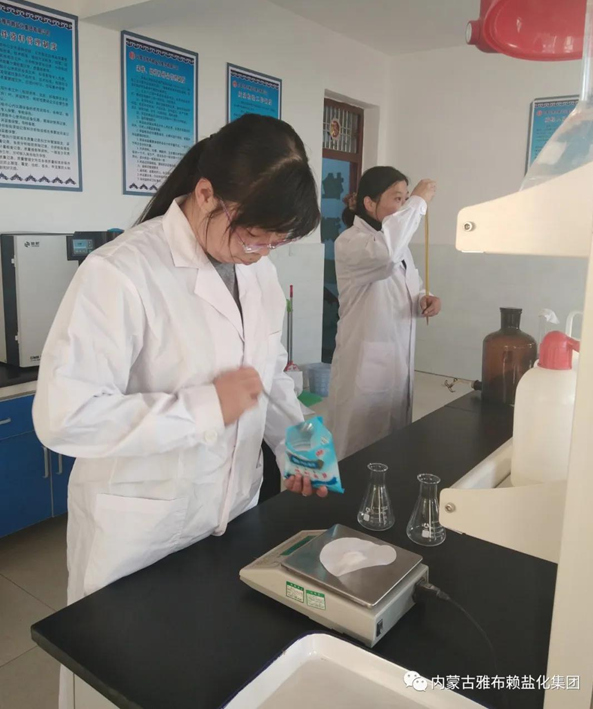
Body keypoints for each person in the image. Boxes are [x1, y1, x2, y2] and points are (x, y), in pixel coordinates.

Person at [33, 114, 326, 708]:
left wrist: (300, 441)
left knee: (204, 676)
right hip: (140, 534)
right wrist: (203, 407)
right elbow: (64, 414)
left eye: (277, 243)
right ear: (206, 193)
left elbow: (267, 374)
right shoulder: (121, 272)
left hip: (231, 516)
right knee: (121, 686)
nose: (262, 254)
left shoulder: (261, 275)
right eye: (254, 237)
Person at [327, 166, 440, 460]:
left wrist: (424, 298)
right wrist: (418, 202)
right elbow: (385, 257)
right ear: (369, 203)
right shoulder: (351, 242)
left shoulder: (396, 245)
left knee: (392, 447)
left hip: (397, 361)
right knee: (357, 447)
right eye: (397, 198)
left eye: (405, 199)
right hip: (365, 364)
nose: (403, 205)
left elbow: (406, 285)